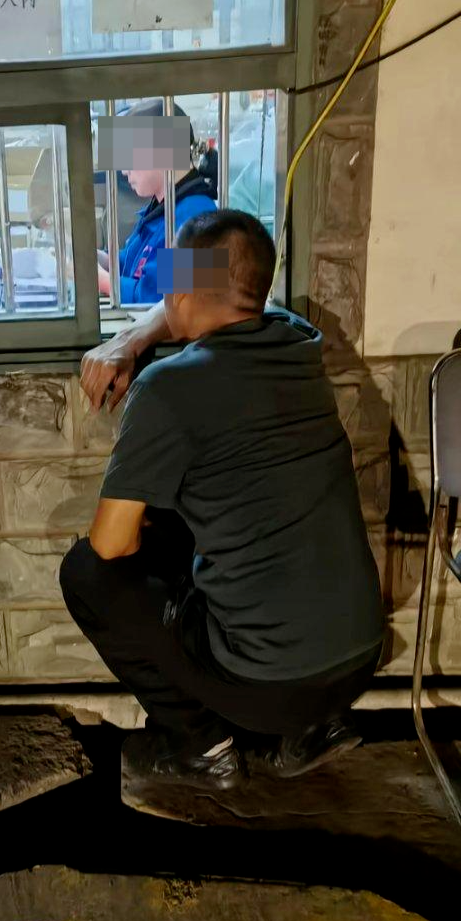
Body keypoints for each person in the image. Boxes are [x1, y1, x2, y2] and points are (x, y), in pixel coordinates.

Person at [62, 209, 384, 797]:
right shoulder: (297, 339)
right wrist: (134, 336)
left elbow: (112, 544)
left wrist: (134, 345)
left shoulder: (168, 389)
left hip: (267, 686)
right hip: (359, 662)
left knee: (88, 572)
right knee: (214, 520)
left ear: (184, 290)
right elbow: (204, 302)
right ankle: (310, 730)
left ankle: (200, 747)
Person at [98, 100, 216, 305]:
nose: (124, 171)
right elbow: (134, 262)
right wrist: (99, 259)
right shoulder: (162, 207)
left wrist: (100, 280)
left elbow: (164, 303)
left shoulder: (201, 222)